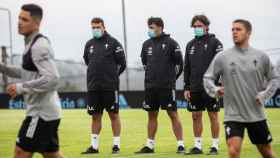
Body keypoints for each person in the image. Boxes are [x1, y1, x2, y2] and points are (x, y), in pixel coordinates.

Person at [204, 19, 278, 158]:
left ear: (248, 32)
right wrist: (215, 90)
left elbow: (274, 78)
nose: (234, 32)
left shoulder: (261, 56)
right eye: (232, 30)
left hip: (256, 114)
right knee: (233, 151)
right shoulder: (222, 57)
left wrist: (265, 95)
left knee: (266, 152)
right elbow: (207, 78)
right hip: (233, 114)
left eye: (238, 29)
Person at [0, 4, 63, 158]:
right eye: (19, 18)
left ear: (36, 23)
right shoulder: (30, 43)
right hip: (47, 113)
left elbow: (52, 79)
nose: (19, 22)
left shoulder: (39, 46)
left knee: (20, 152)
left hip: (40, 114)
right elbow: (26, 73)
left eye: (24, 19)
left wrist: (21, 88)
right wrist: (2, 67)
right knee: (52, 155)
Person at [135, 17, 185, 154]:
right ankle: (149, 145)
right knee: (151, 115)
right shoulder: (146, 45)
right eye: (149, 27)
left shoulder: (171, 43)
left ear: (160, 27)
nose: (150, 30)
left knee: (173, 114)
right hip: (151, 87)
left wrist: (171, 79)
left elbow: (180, 64)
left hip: (167, 87)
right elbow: (145, 64)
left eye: (152, 27)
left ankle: (180, 145)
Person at [81, 17, 126, 154]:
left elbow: (122, 63)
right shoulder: (89, 44)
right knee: (95, 116)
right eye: (93, 27)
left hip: (110, 87)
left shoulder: (114, 43)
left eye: (97, 27)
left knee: (113, 115)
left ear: (103, 27)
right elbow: (88, 61)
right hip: (93, 86)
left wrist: (112, 77)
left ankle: (116, 146)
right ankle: (94, 147)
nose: (95, 29)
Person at [184, 14, 223, 155]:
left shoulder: (215, 43)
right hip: (194, 87)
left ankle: (215, 146)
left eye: (199, 26)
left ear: (206, 26)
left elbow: (221, 64)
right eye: (194, 26)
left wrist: (217, 84)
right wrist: (186, 87)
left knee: (213, 115)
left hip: (211, 87)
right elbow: (187, 67)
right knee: (196, 115)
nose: (196, 28)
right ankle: (197, 146)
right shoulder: (190, 45)